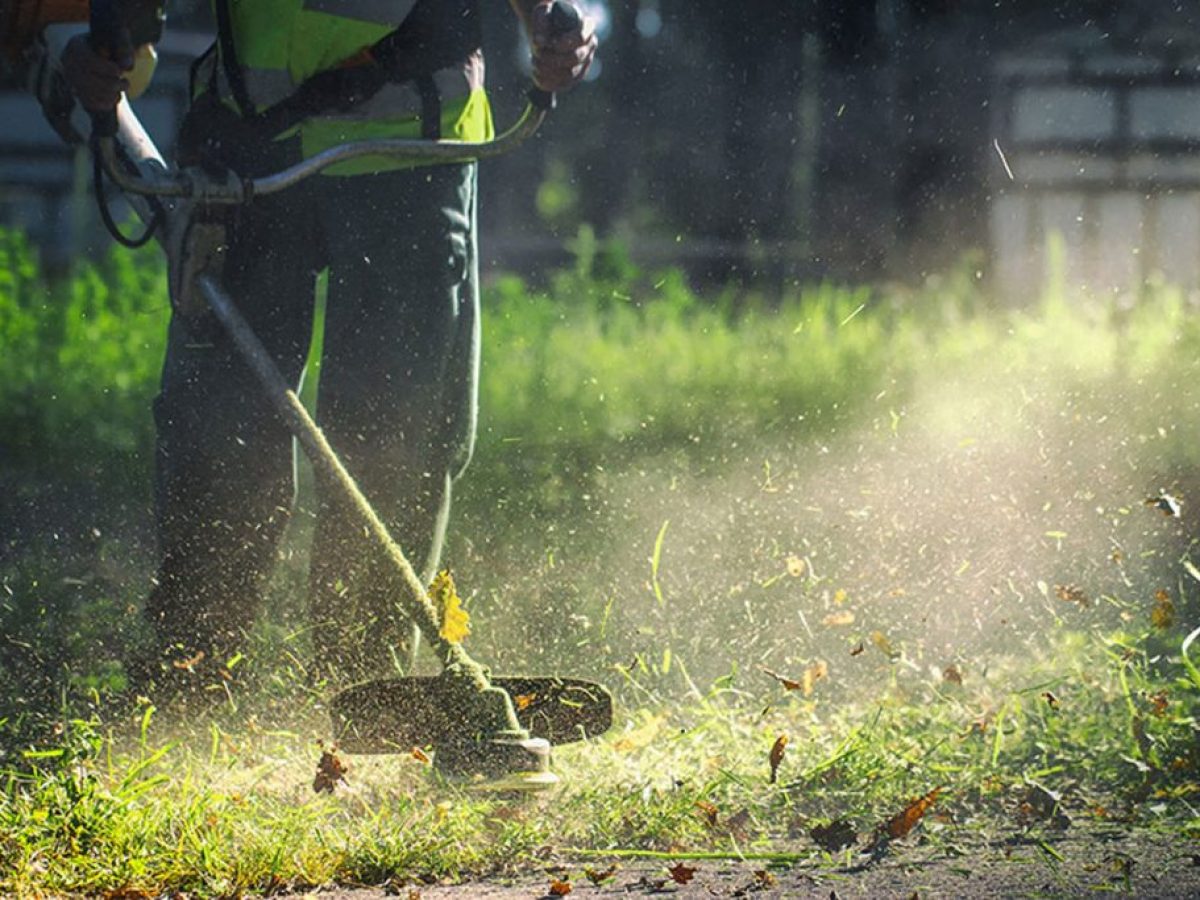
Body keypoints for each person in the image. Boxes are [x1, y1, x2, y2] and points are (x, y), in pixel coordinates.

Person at [61, 0, 597, 696]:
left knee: (395, 432)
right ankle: (187, 673)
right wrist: (103, 45)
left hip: (412, 149)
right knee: (219, 428)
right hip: (249, 148)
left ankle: (366, 689)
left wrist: (555, 22)